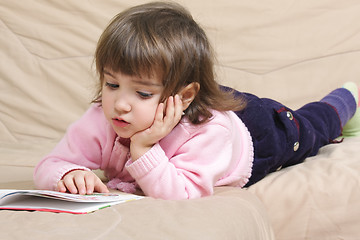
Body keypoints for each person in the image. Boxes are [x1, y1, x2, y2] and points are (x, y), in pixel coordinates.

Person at [33, 2, 360, 200]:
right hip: (198, 96)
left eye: (143, 93)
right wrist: (68, 174)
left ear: (183, 96)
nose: (120, 103)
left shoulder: (206, 132)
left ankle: (348, 98)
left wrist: (144, 148)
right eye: (112, 83)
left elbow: (183, 193)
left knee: (313, 128)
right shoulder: (102, 119)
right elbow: (51, 163)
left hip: (261, 134)